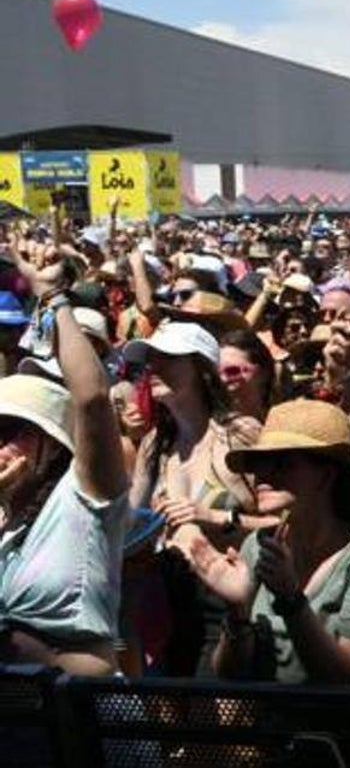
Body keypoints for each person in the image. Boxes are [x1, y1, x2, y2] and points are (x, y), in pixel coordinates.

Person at [193, 399, 350, 684]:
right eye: (260, 463)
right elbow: (230, 673)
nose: (263, 476)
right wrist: (237, 613)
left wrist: (291, 599)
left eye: (283, 463)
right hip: (272, 725)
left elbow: (348, 677)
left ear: (328, 473)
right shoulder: (257, 546)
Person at [0, 253, 128, 675]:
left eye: (14, 431)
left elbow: (91, 400)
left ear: (53, 446)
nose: (2, 445)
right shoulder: (4, 516)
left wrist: (52, 297)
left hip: (85, 723)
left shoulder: (84, 497)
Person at [125, 321, 264, 676]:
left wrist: (215, 517)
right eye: (150, 360)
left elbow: (289, 524)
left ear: (203, 369)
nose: (153, 367)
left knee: (214, 726)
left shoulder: (241, 436)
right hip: (163, 607)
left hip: (225, 609)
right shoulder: (155, 445)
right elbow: (129, 528)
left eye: (168, 359)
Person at [218, 328, 276, 422]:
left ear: (262, 373)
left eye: (233, 371)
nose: (223, 379)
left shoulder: (281, 424)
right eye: (216, 373)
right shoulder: (202, 431)